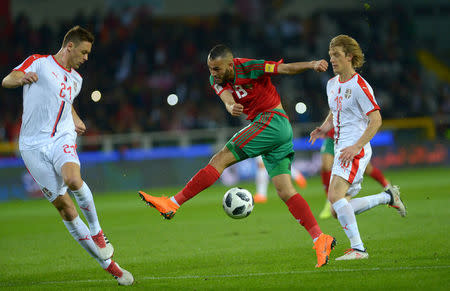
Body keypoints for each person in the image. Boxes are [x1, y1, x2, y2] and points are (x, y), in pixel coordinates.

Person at [139, 44, 336, 268]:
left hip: (271, 120)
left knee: (220, 158)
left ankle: (172, 203)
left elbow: (286, 70)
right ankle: (321, 238)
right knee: (285, 190)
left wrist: (311, 64)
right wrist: (231, 106)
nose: (213, 73)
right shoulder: (216, 80)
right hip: (276, 129)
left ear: (231, 64)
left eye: (217, 69)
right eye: (210, 69)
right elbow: (227, 99)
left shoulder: (250, 67)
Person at [1, 26, 133, 285]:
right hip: (31, 145)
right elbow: (8, 79)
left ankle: (97, 232)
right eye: (83, 52)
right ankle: (110, 266)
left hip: (61, 136)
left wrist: (75, 118)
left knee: (73, 179)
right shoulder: (39, 63)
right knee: (65, 208)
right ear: (69, 46)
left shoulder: (77, 80)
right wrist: (22, 78)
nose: (86, 58)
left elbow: (65, 102)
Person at [309, 35, 406, 261]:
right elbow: (335, 110)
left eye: (336, 55)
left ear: (349, 57)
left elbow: (376, 120)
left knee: (334, 195)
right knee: (337, 209)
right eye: (330, 55)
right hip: (341, 147)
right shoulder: (332, 84)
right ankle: (387, 197)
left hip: (354, 149)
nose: (331, 60)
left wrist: (357, 146)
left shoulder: (361, 86)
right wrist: (323, 128)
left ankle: (359, 249)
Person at [318, 128, 394, 219]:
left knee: (368, 169)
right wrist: (325, 127)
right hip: (332, 137)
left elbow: (375, 119)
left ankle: (388, 187)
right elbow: (332, 113)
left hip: (351, 137)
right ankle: (329, 201)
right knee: (326, 166)